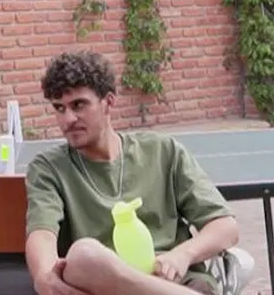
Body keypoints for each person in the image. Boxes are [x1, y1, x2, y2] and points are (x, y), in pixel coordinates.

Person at [23, 51, 254, 295]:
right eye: (59, 108)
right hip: (104, 286)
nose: (68, 119)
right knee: (83, 255)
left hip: (176, 280)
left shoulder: (162, 151)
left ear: (108, 102)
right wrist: (43, 276)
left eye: (79, 105)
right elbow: (42, 233)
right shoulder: (48, 168)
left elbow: (225, 226)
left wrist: (182, 255)